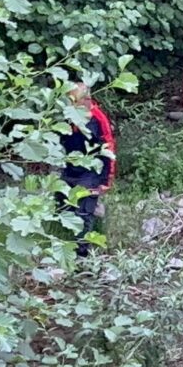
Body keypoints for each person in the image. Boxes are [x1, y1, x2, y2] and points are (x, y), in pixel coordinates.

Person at [57, 83, 116, 256]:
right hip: (71, 167)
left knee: (82, 211)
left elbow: (109, 148)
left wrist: (107, 179)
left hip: (93, 170)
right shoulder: (67, 116)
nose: (71, 104)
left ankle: (82, 254)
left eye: (74, 100)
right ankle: (94, 211)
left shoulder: (98, 118)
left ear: (86, 99)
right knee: (62, 204)